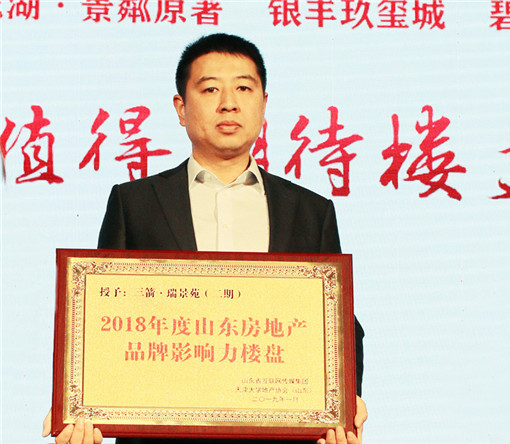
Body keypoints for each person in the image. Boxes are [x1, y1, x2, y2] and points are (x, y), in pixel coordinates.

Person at [43, 33, 367, 444]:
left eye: (244, 88)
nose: (228, 103)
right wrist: (80, 403)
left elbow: (339, 325)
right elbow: (102, 322)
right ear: (181, 108)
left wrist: (345, 402)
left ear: (264, 103)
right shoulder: (134, 203)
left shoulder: (310, 210)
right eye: (210, 89)